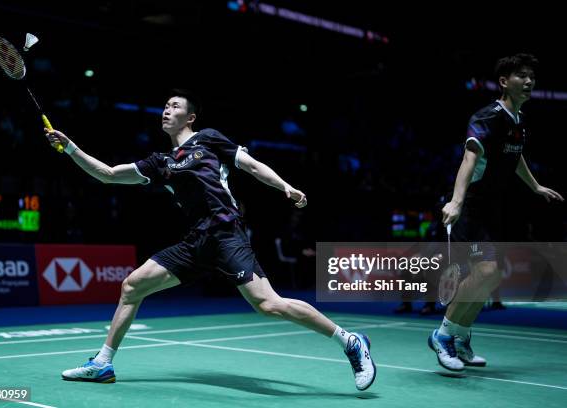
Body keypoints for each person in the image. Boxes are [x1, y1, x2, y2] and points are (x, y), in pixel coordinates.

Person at [48, 89, 376, 390]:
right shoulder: (160, 162)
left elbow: (251, 165)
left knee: (268, 305)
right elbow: (107, 174)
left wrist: (284, 186)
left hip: (224, 232)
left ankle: (349, 341)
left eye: (174, 106)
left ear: (190, 117)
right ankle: (103, 364)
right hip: (196, 241)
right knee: (133, 285)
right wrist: (70, 148)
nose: (166, 110)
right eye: (164, 106)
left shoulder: (208, 140)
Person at [429, 54, 564, 371]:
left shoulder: (517, 122)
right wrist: (456, 202)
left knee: (491, 277)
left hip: (492, 209)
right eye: (521, 76)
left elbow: (514, 158)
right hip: (472, 207)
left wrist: (535, 186)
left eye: (532, 76)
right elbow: (469, 159)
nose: (529, 81)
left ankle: (460, 337)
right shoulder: (488, 117)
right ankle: (443, 335)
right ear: (504, 81)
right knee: (486, 273)